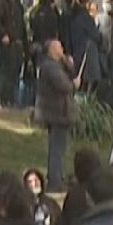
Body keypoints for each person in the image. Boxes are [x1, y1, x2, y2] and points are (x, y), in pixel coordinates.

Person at [35, 39, 80, 191]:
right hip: (57, 114)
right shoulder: (49, 67)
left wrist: (68, 63)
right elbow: (64, 85)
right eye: (59, 47)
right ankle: (54, 180)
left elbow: (70, 73)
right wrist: (74, 84)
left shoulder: (58, 65)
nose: (62, 49)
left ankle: (57, 176)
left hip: (61, 113)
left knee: (59, 148)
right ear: (52, 50)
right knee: (57, 149)